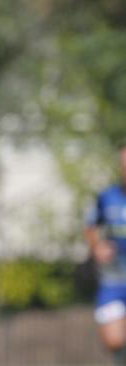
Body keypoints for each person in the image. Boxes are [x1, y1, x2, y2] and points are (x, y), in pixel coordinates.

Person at [85, 142, 126, 363]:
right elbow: (90, 226)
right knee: (114, 341)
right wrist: (97, 247)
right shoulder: (107, 197)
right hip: (113, 280)